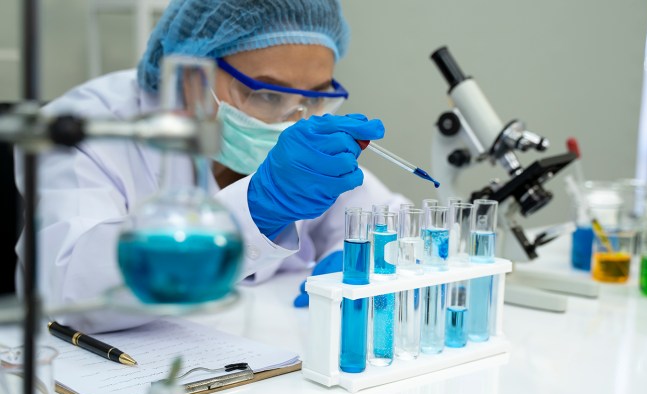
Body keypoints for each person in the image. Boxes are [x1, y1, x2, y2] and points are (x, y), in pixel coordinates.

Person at [14, 0, 408, 333]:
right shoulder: (87, 126)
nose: (296, 120)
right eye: (269, 96)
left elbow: (389, 220)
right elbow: (66, 286)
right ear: (191, 76)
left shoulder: (303, 145)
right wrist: (254, 210)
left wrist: (364, 257)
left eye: (318, 98)